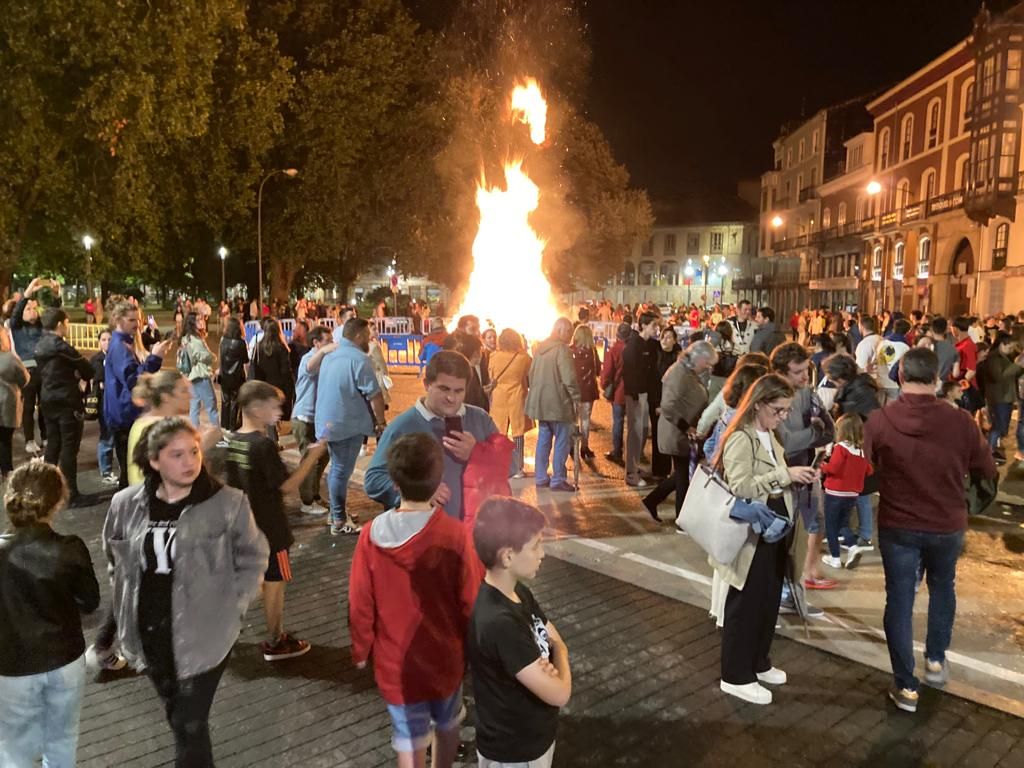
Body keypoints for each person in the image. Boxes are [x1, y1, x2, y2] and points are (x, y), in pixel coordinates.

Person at [104, 417, 269, 765]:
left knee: (189, 723)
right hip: (149, 632)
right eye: (176, 455)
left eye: (194, 451)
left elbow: (254, 557)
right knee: (179, 718)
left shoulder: (228, 502)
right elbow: (115, 560)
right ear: (154, 461)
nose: (190, 462)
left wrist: (234, 604)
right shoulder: (125, 504)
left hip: (205, 635)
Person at [864, 348, 997, 713]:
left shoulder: (880, 420)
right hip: (946, 523)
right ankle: (936, 660)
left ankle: (906, 686)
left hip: (898, 524)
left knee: (900, 599)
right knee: (943, 588)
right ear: (937, 379)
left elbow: (867, 469)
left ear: (900, 377)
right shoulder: (961, 422)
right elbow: (986, 469)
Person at [349, 434, 479, 768]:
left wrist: (362, 647)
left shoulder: (370, 535)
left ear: (394, 481)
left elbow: (361, 599)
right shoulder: (455, 534)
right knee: (448, 724)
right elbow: (470, 599)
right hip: (444, 658)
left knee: (408, 737)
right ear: (439, 480)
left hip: (395, 662)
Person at [715, 374, 817, 705]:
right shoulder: (741, 438)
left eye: (786, 410)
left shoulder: (767, 434)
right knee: (745, 604)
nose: (783, 416)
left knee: (768, 600)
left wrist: (794, 476)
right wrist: (784, 474)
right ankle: (735, 674)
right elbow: (741, 486)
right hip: (752, 532)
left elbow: (770, 479)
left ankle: (758, 662)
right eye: (778, 409)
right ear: (758, 403)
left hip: (774, 528)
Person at [0, 461, 99, 768]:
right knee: (61, 740)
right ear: (58, 501)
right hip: (63, 658)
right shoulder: (69, 548)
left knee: (13, 747)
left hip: (12, 663)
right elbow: (89, 601)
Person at [226, 381, 327, 661]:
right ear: (256, 408)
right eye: (274, 406)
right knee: (275, 582)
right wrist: (311, 456)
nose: (280, 411)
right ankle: (275, 639)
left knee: (248, 582)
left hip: (243, 527)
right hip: (271, 529)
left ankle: (223, 633)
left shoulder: (233, 441)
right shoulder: (263, 445)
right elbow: (287, 486)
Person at [468, 497, 571, 767]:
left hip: (532, 741)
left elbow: (551, 632)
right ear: (508, 556)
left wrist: (552, 658)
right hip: (514, 753)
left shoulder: (518, 592)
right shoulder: (499, 621)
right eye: (536, 546)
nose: (542, 554)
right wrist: (561, 652)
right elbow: (559, 694)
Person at [365, 351, 498, 522]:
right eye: (444, 389)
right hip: (426, 535)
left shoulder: (480, 419)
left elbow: (513, 463)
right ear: (427, 384)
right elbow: (374, 480)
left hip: (476, 531)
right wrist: (419, 492)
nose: (451, 398)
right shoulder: (402, 426)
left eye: (459, 391)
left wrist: (478, 453)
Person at [770, 343, 836, 594]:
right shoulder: (771, 395)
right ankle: (787, 585)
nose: (805, 376)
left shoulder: (807, 392)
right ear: (779, 372)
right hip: (783, 475)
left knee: (815, 521)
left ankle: (805, 573)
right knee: (787, 531)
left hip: (807, 468)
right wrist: (815, 431)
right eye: (798, 372)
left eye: (806, 370)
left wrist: (816, 433)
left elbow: (831, 430)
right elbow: (786, 442)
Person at [315, 317, 387, 535]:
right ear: (357, 336)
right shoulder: (359, 359)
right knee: (340, 471)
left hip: (328, 421)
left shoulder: (330, 355)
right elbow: (374, 395)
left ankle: (337, 513)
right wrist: (381, 422)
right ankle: (338, 520)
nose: (370, 338)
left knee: (336, 468)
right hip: (346, 424)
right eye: (367, 335)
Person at [642, 341, 717, 522]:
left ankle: (651, 501)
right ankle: (681, 519)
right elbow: (667, 406)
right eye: (706, 362)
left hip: (683, 432)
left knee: (681, 474)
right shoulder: (679, 372)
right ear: (698, 357)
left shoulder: (689, 372)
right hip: (677, 431)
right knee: (683, 476)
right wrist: (686, 427)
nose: (707, 367)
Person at [106, 300, 173, 489]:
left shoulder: (123, 342)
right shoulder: (120, 346)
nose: (137, 324)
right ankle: (127, 511)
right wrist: (155, 358)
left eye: (139, 319)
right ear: (118, 319)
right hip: (125, 414)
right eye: (131, 320)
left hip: (125, 412)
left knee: (130, 470)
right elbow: (135, 381)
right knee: (131, 472)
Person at [34, 308, 95, 507]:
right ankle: (72, 495)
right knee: (69, 448)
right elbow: (88, 370)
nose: (68, 326)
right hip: (67, 400)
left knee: (53, 445)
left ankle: (47, 491)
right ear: (60, 324)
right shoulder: (62, 347)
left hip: (47, 399)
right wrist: (79, 376)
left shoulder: (40, 345)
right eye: (67, 323)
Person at [525, 318, 581, 492]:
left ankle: (541, 476)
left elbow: (531, 375)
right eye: (569, 332)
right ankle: (558, 479)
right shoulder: (562, 350)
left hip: (541, 403)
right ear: (559, 330)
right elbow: (569, 378)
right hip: (558, 404)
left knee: (543, 440)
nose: (571, 336)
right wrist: (576, 397)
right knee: (562, 441)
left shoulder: (540, 349)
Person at [290, 324, 335, 514]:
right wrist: (324, 350)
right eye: (327, 341)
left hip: (319, 418)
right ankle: (306, 501)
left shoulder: (326, 360)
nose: (332, 344)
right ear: (316, 343)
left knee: (323, 456)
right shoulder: (309, 358)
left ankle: (314, 495)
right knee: (309, 459)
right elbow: (309, 368)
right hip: (304, 417)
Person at [820, 414, 874, 570]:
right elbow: (869, 470)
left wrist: (822, 465)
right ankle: (853, 547)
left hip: (835, 493)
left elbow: (833, 468)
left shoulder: (841, 448)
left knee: (831, 526)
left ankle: (835, 557)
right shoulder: (861, 451)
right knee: (843, 524)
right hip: (852, 494)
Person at [11, 277, 53, 455]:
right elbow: (17, 310)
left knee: (45, 404)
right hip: (27, 370)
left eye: (34, 308)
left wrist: (55, 293)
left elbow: (54, 313)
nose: (32, 311)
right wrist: (28, 292)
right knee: (29, 406)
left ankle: (45, 436)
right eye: (28, 309)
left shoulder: (40, 326)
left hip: (43, 369)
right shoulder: (17, 326)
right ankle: (29, 439)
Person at [488, 329, 532, 478]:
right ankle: (518, 468)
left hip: (499, 397)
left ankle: (498, 465)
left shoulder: (494, 356)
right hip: (517, 397)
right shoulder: (524, 358)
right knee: (518, 433)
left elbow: (491, 375)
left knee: (500, 433)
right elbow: (529, 374)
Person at [622, 312, 659, 487]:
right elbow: (629, 372)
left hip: (645, 394)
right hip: (635, 395)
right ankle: (631, 472)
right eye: (654, 325)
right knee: (635, 433)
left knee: (643, 431)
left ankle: (635, 467)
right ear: (643, 325)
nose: (656, 329)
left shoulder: (651, 345)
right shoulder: (634, 345)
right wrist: (635, 393)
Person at [977, 332, 1022, 462]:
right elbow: (999, 376)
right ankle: (989, 452)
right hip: (998, 398)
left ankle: (992, 450)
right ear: (1002, 344)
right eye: (1009, 347)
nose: (1011, 350)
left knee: (1001, 427)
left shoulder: (1002, 356)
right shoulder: (993, 358)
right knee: (998, 427)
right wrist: (1017, 365)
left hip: (1004, 397)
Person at [248, 318, 295, 440]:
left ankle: (272, 436)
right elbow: (285, 370)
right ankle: (273, 440)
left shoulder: (258, 346)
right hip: (279, 385)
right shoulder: (281, 348)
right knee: (274, 412)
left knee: (269, 412)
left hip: (263, 383)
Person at [649, 326, 682, 479]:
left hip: (672, 403)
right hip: (657, 401)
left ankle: (669, 469)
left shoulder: (678, 358)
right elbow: (654, 382)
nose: (665, 340)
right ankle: (658, 470)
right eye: (663, 336)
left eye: (669, 337)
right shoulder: (656, 355)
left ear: (675, 340)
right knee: (657, 435)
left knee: (671, 436)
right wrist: (657, 404)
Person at [177, 312, 219, 428]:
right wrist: (213, 356)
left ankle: (194, 431)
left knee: (194, 406)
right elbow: (203, 355)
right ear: (192, 323)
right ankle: (217, 434)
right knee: (211, 406)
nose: (202, 322)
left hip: (191, 376)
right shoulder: (195, 340)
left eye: (202, 319)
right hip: (200, 376)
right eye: (199, 320)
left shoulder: (186, 338)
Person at [599, 322, 631, 465]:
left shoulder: (613, 350)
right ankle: (634, 453)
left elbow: (606, 373)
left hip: (618, 393)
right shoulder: (634, 349)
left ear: (617, 335)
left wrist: (605, 385)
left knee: (618, 422)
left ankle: (617, 452)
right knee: (633, 425)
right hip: (633, 392)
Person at [0, 329, 29, 480]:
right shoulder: (10, 359)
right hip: (7, 404)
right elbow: (25, 378)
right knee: (5, 438)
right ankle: (6, 470)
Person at [570, 324, 601, 461]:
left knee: (572, 419)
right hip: (588, 390)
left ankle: (571, 446)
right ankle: (585, 447)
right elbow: (599, 370)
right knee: (585, 420)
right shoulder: (592, 351)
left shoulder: (570, 351)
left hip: (572, 390)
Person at [218, 317, 249, 431]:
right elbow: (245, 360)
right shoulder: (241, 343)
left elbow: (221, 357)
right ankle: (233, 426)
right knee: (235, 402)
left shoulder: (223, 340)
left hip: (224, 375)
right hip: (237, 376)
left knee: (225, 401)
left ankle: (225, 425)